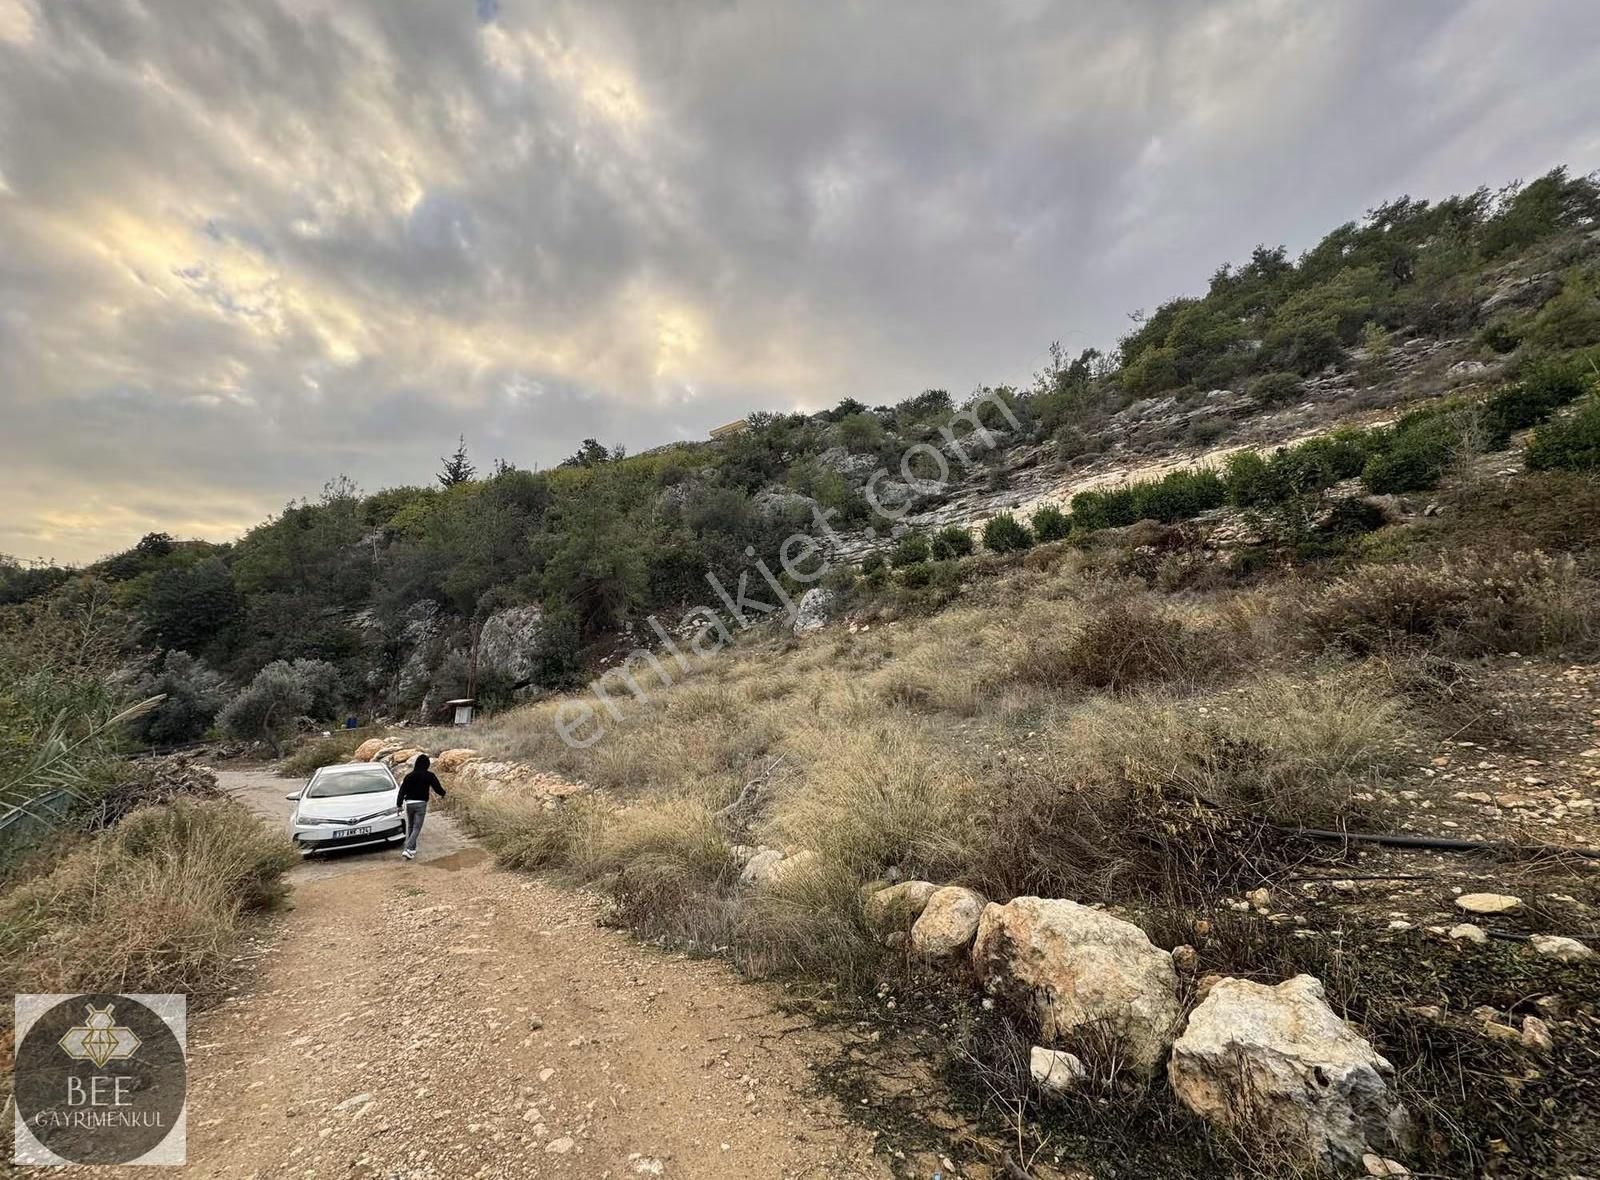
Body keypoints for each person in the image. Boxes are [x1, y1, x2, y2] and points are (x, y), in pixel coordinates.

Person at [395, 754, 446, 860]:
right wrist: (443, 794)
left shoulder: (409, 776)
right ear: (427, 764)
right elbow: (437, 788)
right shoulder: (429, 775)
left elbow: (402, 791)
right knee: (417, 827)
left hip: (409, 803)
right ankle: (407, 848)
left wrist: (399, 805)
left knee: (411, 826)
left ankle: (412, 849)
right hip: (421, 804)